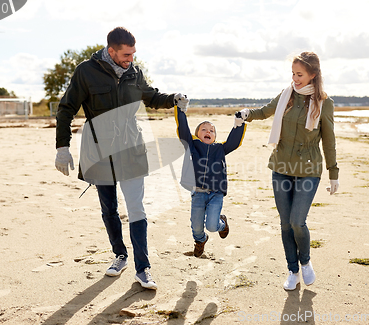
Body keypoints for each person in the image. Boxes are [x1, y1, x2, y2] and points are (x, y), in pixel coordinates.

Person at [54, 26, 189, 290]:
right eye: (126, 55)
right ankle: (120, 255)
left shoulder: (134, 72)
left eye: (133, 54)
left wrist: (173, 99)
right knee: (109, 208)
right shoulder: (86, 71)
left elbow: (150, 96)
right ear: (111, 50)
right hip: (99, 152)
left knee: (137, 209)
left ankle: (143, 268)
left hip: (132, 149)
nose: (131, 59)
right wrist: (62, 147)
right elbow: (66, 108)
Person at [237, 51, 339, 290]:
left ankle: (305, 262)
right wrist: (246, 115)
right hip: (281, 166)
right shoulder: (286, 95)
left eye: (300, 74)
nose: (295, 78)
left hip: (308, 169)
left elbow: (329, 140)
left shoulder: (325, 102)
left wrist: (333, 173)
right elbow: (264, 111)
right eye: (293, 73)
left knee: (297, 221)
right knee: (285, 223)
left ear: (313, 74)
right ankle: (292, 270)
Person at [175, 103, 246, 257]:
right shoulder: (192, 146)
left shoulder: (220, 148)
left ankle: (222, 223)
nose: (208, 131)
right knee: (197, 227)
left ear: (215, 136)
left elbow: (234, 142)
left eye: (212, 130)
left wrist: (239, 124)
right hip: (198, 193)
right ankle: (201, 240)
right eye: (204, 129)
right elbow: (183, 131)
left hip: (216, 193)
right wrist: (180, 110)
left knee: (212, 226)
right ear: (197, 134)